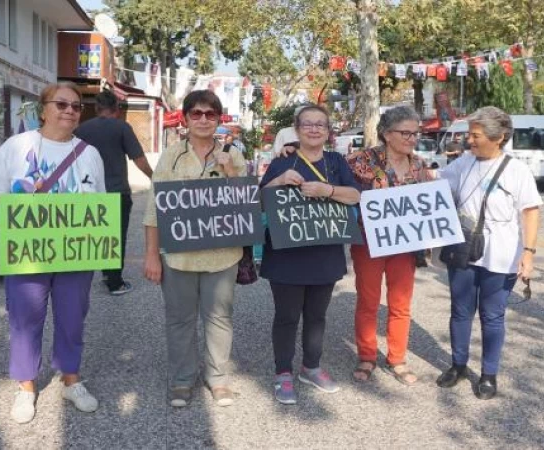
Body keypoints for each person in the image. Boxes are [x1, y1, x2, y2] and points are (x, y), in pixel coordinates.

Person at [0, 81, 106, 423]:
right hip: (28, 251)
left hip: (76, 253)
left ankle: (71, 380)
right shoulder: (17, 146)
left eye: (76, 106)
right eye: (61, 104)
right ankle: (25, 388)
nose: (69, 111)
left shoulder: (90, 154)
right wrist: (28, 207)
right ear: (43, 108)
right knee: (25, 320)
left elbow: (99, 205)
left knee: (71, 318)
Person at [143, 90, 247, 408]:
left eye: (210, 114)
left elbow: (243, 204)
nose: (203, 119)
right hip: (178, 257)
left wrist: (229, 169)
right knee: (179, 320)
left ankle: (217, 378)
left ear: (218, 119)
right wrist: (151, 255)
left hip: (223, 255)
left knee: (219, 318)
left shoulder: (235, 154)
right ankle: (182, 379)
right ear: (186, 119)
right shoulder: (171, 156)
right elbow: (155, 208)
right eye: (196, 113)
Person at [436, 106, 541, 400]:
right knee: (460, 311)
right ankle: (458, 365)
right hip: (463, 249)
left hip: (502, 253)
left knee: (492, 316)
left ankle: (488, 374)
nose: (469, 140)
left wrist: (529, 254)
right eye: (469, 134)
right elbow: (437, 186)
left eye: (476, 135)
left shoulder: (517, 170)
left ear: (499, 137)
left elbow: (530, 212)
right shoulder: (462, 164)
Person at [260, 104, 360, 405]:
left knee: (317, 316)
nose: (314, 129)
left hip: (325, 252)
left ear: (329, 131)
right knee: (287, 316)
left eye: (321, 124)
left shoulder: (336, 161)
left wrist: (327, 191)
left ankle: (311, 367)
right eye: (308, 124)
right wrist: (278, 181)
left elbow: (355, 195)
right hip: (286, 254)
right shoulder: (282, 160)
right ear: (297, 128)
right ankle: (283, 373)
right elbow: (259, 201)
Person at [345, 106, 433, 386]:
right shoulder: (360, 161)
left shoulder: (419, 165)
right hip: (369, 244)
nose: (411, 138)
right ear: (386, 133)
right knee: (368, 301)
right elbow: (327, 168)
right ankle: (367, 356)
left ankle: (397, 358)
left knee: (400, 304)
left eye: (415, 133)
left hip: (405, 246)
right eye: (405, 132)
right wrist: (292, 148)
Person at [75, 90, 153, 296]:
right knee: (117, 236)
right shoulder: (122, 127)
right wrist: (154, 178)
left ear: (97, 108)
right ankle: (115, 282)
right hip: (117, 191)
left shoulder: (82, 129)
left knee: (97, 233)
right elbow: (139, 159)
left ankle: (106, 271)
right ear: (117, 109)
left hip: (88, 193)